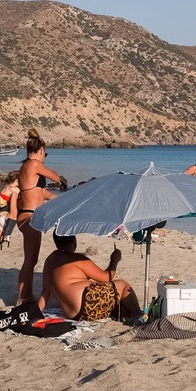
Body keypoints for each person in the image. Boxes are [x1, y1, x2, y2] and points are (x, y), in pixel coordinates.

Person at [37, 233, 141, 321]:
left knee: (114, 297)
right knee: (122, 285)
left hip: (73, 315)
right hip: (87, 305)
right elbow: (107, 277)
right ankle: (139, 315)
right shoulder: (76, 259)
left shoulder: (50, 260)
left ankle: (123, 312)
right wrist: (114, 261)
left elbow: (45, 292)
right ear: (73, 240)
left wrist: (36, 314)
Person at [16, 128, 64, 304]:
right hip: (29, 217)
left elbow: (39, 192)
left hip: (26, 215)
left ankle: (26, 296)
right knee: (30, 260)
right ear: (41, 150)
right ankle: (21, 298)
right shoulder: (34, 164)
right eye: (45, 153)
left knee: (31, 259)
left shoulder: (25, 166)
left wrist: (60, 199)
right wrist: (60, 180)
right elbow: (56, 177)